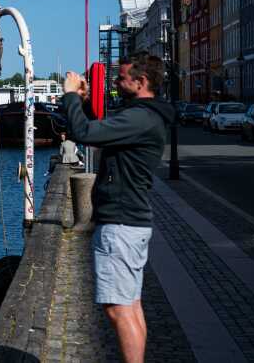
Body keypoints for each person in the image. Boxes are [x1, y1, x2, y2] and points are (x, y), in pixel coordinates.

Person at [61, 53, 172, 363]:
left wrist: (70, 94)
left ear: (141, 82)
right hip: (130, 222)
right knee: (130, 305)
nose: (116, 82)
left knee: (118, 308)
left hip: (120, 224)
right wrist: (81, 104)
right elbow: (100, 131)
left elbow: (85, 134)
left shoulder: (140, 118)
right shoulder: (143, 116)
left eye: (122, 78)